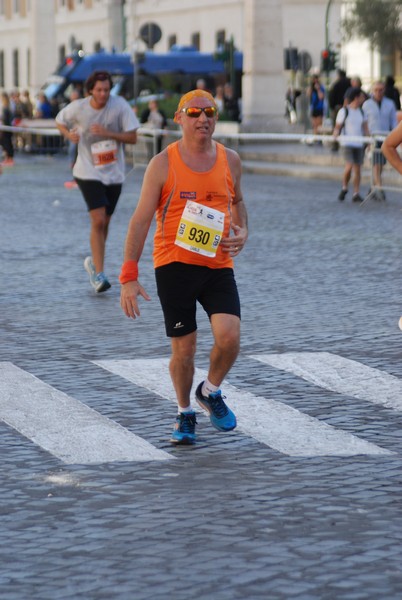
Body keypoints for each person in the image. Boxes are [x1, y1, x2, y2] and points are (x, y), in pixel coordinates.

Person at [119, 89, 248, 445]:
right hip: (173, 265)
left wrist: (243, 229)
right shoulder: (163, 164)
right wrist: (129, 275)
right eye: (194, 112)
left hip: (218, 263)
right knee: (185, 350)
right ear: (179, 118)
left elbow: (237, 202)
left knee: (230, 337)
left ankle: (210, 391)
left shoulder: (230, 160)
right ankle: (184, 412)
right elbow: (141, 221)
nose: (203, 119)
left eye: (209, 112)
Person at [55, 70, 139, 293]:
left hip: (114, 173)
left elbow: (133, 136)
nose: (103, 94)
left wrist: (108, 132)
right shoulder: (79, 108)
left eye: (106, 89)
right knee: (98, 219)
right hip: (87, 170)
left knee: (106, 221)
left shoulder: (119, 105)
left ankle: (94, 263)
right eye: (99, 90)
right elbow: (59, 120)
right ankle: (99, 275)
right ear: (90, 90)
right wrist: (68, 135)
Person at [363, 80, 398, 200]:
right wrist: (366, 138)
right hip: (372, 138)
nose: (378, 92)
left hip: (385, 137)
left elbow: (393, 121)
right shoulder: (366, 104)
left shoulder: (390, 103)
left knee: (381, 163)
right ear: (372, 90)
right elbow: (364, 122)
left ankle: (374, 185)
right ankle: (379, 186)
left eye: (381, 90)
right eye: (376, 90)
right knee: (375, 163)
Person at [333, 87, 369, 203]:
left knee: (357, 169)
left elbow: (365, 128)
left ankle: (356, 192)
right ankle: (344, 187)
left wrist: (368, 140)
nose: (363, 99)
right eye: (362, 96)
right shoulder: (344, 111)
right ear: (356, 97)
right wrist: (335, 135)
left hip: (358, 143)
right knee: (349, 166)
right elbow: (337, 127)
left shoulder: (362, 112)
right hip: (347, 143)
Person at [307, 74, 325, 139]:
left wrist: (318, 89)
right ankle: (315, 138)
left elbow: (321, 97)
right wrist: (311, 88)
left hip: (319, 108)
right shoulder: (311, 88)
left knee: (319, 125)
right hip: (313, 108)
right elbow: (308, 95)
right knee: (314, 125)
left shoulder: (321, 87)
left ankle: (319, 138)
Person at [0, 92, 15, 166]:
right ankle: (8, 158)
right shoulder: (8, 107)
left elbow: (5, 119)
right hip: (8, 127)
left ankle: (9, 158)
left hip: (6, 128)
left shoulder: (6, 108)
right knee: (7, 143)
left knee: (6, 143)